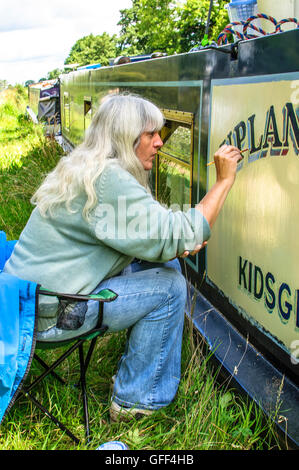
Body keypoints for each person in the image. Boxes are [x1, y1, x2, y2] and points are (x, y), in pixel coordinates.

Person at [4, 93, 242, 421]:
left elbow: (159, 234)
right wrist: (225, 180)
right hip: (52, 314)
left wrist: (171, 241)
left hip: (27, 302)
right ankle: (135, 402)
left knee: (164, 265)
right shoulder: (108, 179)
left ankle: (139, 378)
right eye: (150, 134)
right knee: (170, 289)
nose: (160, 143)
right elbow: (179, 234)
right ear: (124, 138)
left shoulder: (84, 165)